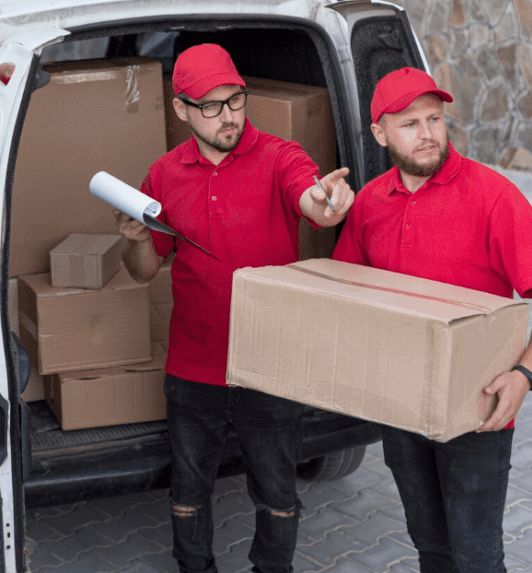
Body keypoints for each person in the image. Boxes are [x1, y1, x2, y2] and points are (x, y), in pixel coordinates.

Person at [113, 43, 354, 573]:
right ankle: (194, 565)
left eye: (237, 100)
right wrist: (133, 239)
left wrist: (329, 202)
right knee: (189, 487)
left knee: (276, 488)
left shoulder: (280, 156)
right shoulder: (164, 175)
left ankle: (273, 567)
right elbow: (143, 271)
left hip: (269, 364)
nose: (229, 116)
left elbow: (313, 200)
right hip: (194, 364)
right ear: (181, 109)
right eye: (212, 106)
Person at [331, 67, 532, 572]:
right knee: (431, 545)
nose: (427, 134)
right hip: (401, 402)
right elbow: (345, 296)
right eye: (409, 124)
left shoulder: (492, 196)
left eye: (435, 119)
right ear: (379, 134)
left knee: (476, 556)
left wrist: (525, 373)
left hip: (478, 404)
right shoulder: (371, 204)